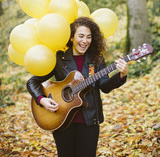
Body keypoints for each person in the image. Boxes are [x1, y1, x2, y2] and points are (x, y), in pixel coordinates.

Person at [27, 16, 128, 157]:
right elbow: (33, 82)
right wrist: (42, 99)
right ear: (72, 37)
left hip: (89, 120)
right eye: (81, 36)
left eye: (89, 37)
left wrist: (121, 75)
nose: (85, 41)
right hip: (60, 120)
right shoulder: (58, 60)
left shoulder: (96, 59)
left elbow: (104, 86)